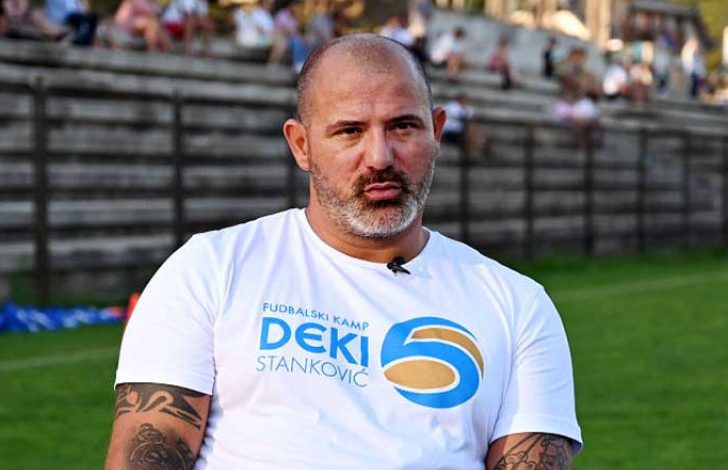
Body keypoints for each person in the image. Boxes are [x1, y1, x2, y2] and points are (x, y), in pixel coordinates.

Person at [105, 34, 582, 469]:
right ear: (301, 145)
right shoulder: (211, 269)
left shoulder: (518, 307)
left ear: (436, 132)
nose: (380, 157)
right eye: (350, 130)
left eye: (403, 127)